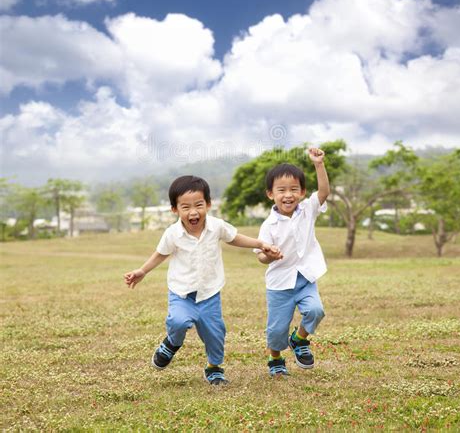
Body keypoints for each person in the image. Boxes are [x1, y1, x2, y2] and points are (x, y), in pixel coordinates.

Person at [124, 175, 282, 386]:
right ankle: (171, 343)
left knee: (215, 334)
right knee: (178, 322)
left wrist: (261, 244)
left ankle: (214, 367)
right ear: (175, 209)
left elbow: (234, 238)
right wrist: (142, 271)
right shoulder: (172, 233)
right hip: (181, 293)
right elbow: (160, 254)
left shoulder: (217, 226)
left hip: (209, 293)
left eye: (199, 205)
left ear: (208, 204)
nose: (193, 212)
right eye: (185, 207)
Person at [255, 148, 330, 377]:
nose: (288, 195)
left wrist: (319, 164)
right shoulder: (269, 225)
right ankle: (275, 357)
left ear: (302, 192)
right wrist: (269, 254)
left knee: (316, 311)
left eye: (294, 189)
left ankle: (299, 340)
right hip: (280, 284)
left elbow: (324, 192)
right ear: (271, 194)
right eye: (281, 190)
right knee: (277, 330)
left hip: (305, 277)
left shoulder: (308, 209)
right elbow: (260, 256)